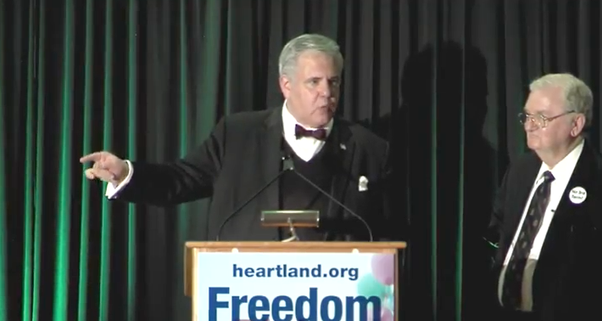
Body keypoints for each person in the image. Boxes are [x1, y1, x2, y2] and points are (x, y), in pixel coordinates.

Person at [80, 33, 392, 242]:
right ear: (286, 85)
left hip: (336, 319)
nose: (326, 92)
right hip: (246, 310)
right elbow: (179, 180)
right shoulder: (237, 136)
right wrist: (125, 173)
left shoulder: (368, 148)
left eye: (333, 82)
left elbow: (386, 236)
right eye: (314, 82)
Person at [485, 73, 602, 321]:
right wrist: (494, 260)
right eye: (526, 116)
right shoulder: (520, 170)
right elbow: (494, 235)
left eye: (541, 118)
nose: (529, 125)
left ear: (575, 125)